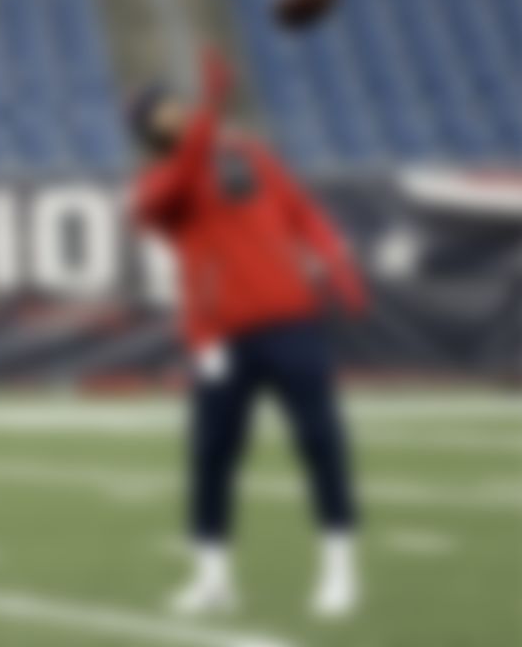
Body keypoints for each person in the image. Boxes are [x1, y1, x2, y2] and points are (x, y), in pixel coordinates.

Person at [128, 48, 368, 619]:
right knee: (212, 456)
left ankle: (340, 569)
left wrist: (334, 257)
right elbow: (184, 173)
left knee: (321, 441)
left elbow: (300, 210)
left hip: (290, 320)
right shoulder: (157, 184)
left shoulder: (249, 154)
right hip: (218, 338)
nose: (173, 113)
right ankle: (212, 578)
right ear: (144, 132)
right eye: (157, 111)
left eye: (174, 103)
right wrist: (212, 106)